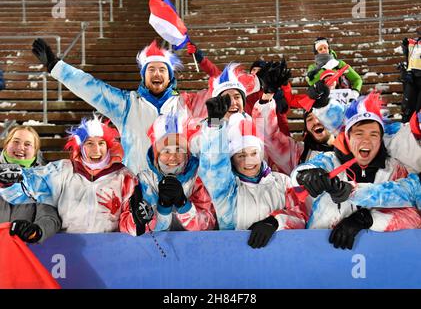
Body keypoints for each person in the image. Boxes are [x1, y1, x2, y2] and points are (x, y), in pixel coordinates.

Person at [31, 38, 214, 175]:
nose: (156, 73)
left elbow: (227, 89)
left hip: (182, 186)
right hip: (138, 188)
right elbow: (91, 87)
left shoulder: (187, 104)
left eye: (162, 69)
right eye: (151, 69)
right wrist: (56, 66)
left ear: (170, 77)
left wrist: (204, 62)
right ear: (143, 76)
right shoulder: (126, 105)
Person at [291, 92, 421, 250]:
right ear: (348, 137)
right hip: (322, 253)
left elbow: (412, 217)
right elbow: (305, 172)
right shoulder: (331, 160)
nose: (366, 140)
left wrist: (367, 218)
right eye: (359, 134)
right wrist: (305, 175)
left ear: (381, 140)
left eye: (374, 134)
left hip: (377, 257)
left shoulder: (394, 169)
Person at [199, 85, 307, 249]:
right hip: (237, 257)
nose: (249, 161)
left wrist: (275, 222)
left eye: (253, 153)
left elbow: (302, 214)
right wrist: (214, 125)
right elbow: (214, 165)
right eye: (241, 156)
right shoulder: (227, 189)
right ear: (232, 160)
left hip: (280, 257)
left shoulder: (283, 182)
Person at [0, 115, 138, 236]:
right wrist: (10, 183)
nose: (96, 149)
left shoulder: (124, 177)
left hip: (109, 247)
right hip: (68, 247)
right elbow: (28, 189)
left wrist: (138, 220)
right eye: (89, 143)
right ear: (80, 147)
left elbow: (132, 226)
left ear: (108, 146)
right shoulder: (62, 170)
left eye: (101, 143)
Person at [121, 112, 217, 235]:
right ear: (156, 155)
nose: (173, 157)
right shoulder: (144, 181)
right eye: (166, 151)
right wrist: (140, 219)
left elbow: (209, 226)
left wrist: (183, 205)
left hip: (194, 247)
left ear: (187, 154)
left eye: (179, 150)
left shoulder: (198, 179)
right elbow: (128, 228)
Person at [0, 125, 60, 243]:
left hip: (21, 250)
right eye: (16, 141)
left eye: (27, 144)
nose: (20, 147)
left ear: (35, 152)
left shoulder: (42, 180)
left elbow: (50, 218)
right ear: (6, 144)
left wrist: (35, 231)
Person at [400, 27, 421, 123]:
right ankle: (406, 126)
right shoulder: (415, 43)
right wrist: (405, 46)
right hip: (412, 75)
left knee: (418, 107)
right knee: (407, 106)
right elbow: (409, 56)